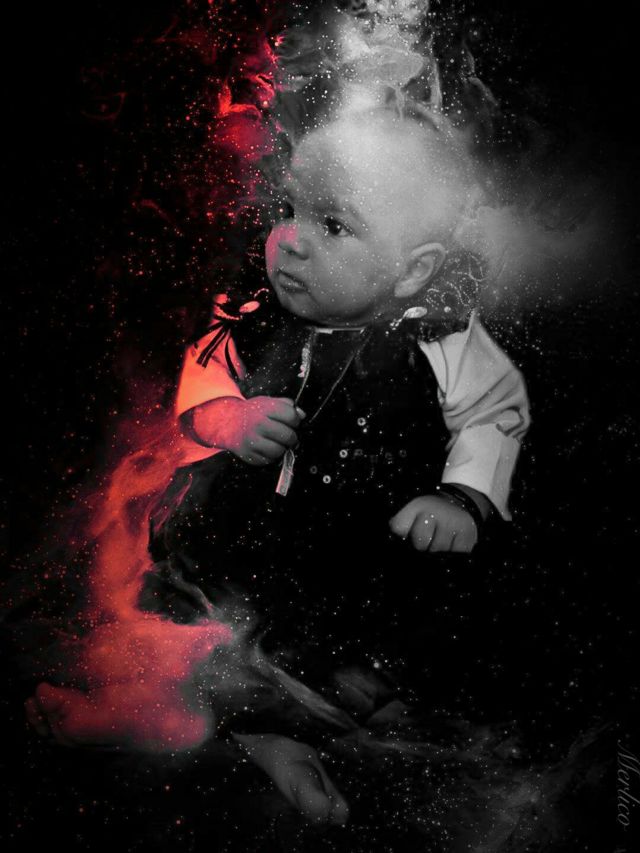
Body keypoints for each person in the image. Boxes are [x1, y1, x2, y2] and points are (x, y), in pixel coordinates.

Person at [137, 106, 531, 827]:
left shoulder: (443, 341)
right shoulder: (253, 315)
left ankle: (267, 730)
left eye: (334, 225)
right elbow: (199, 380)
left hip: (359, 557)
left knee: (357, 663)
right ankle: (219, 717)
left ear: (414, 269)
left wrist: (463, 497)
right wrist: (224, 418)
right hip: (246, 535)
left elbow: (494, 414)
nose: (290, 240)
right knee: (197, 616)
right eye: (288, 209)